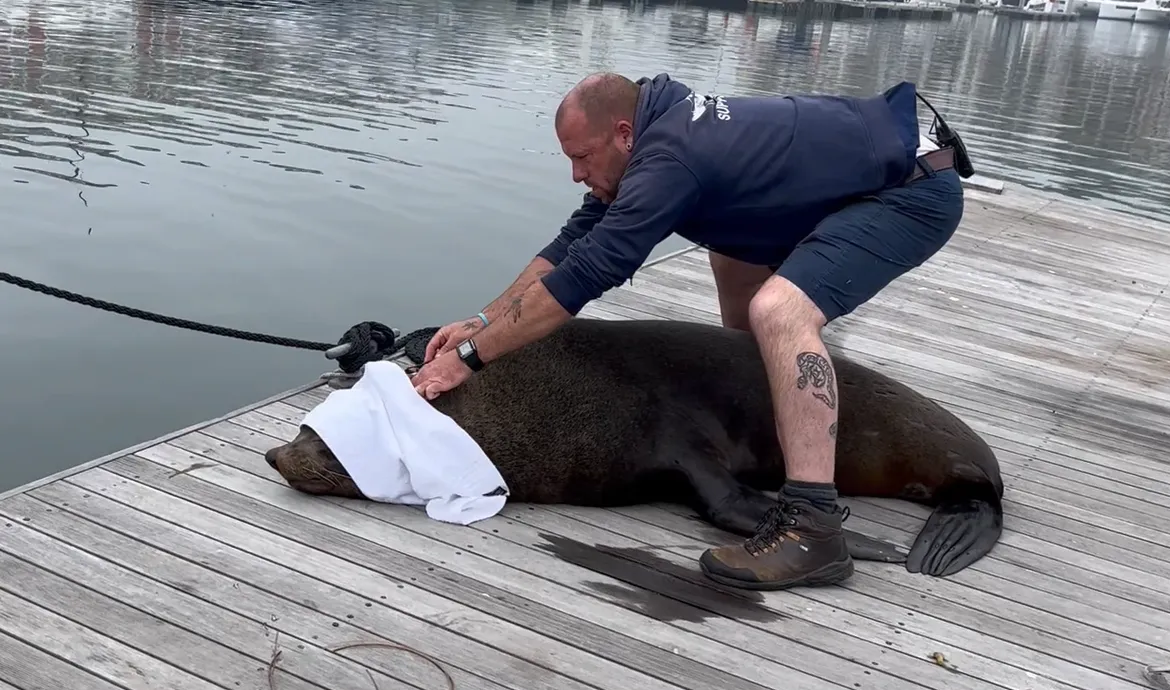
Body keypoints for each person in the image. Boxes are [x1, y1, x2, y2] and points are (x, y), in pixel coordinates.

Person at [409, 71, 966, 590]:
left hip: (910, 193)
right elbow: (569, 246)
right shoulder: (655, 138)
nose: (576, 174)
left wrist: (466, 359)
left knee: (781, 311)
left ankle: (814, 526)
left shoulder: (670, 158)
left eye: (581, 157)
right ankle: (775, 424)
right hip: (862, 180)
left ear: (623, 134)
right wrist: (480, 321)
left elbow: (583, 277)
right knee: (731, 253)